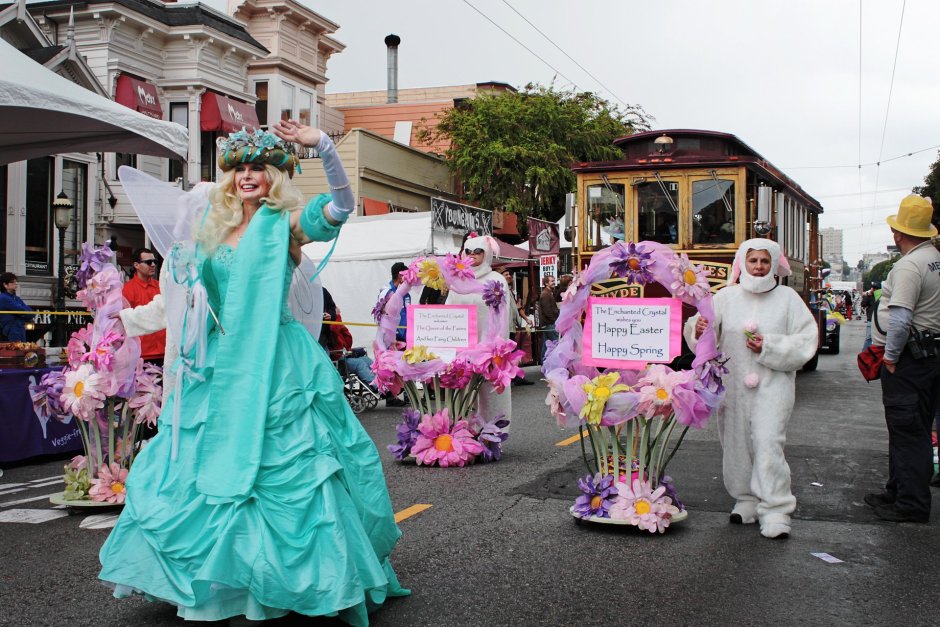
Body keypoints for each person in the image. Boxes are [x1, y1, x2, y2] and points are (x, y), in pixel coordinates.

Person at [99, 120, 409, 622]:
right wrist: (125, 320)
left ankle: (291, 581)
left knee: (291, 473)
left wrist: (324, 148)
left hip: (280, 365)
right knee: (202, 470)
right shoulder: (209, 233)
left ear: (274, 176)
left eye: (258, 168)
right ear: (228, 178)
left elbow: (342, 207)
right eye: (240, 168)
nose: (248, 176)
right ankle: (224, 580)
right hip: (219, 366)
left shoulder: (285, 225)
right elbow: (179, 300)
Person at [685, 238, 817, 539]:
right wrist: (699, 330)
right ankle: (745, 498)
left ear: (773, 265)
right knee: (736, 442)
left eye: (764, 261)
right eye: (753, 261)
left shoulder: (788, 299)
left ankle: (775, 508)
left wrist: (769, 345)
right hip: (733, 386)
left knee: (768, 443)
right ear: (742, 263)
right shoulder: (726, 297)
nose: (759, 267)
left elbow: (806, 340)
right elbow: (701, 331)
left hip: (774, 386)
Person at [866, 195, 940, 524]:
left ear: (898, 234)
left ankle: (910, 503)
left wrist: (891, 357)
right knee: (915, 427)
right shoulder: (934, 259)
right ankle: (897, 490)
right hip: (930, 357)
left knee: (907, 429)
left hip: (911, 359)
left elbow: (900, 320)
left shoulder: (909, 266)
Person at [446, 235, 513, 423]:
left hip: (489, 351)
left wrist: (497, 349)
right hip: (461, 352)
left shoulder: (496, 280)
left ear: (488, 253)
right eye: (468, 251)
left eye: (478, 251)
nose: (473, 255)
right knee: (463, 395)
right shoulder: (457, 282)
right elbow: (447, 312)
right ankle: (463, 435)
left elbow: (502, 316)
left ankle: (493, 436)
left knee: (491, 395)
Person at [122, 248, 166, 366]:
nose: (153, 265)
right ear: (136, 265)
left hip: (164, 351)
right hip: (141, 354)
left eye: (154, 262)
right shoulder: (127, 289)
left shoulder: (161, 286)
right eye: (148, 262)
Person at [502, 269, 533, 386]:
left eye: (509, 274)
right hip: (505, 328)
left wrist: (525, 319)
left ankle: (514, 377)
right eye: (506, 275)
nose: (509, 276)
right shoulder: (500, 290)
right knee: (511, 354)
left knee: (512, 354)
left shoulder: (509, 291)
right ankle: (513, 377)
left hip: (511, 327)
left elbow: (517, 308)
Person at [380, 262, 410, 343]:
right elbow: (380, 315)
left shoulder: (406, 294)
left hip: (406, 335)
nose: (407, 278)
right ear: (400, 275)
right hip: (391, 337)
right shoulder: (386, 292)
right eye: (405, 275)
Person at [0, 273, 33, 342]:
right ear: (5, 285)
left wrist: (24, 312)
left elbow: (31, 313)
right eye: (12, 282)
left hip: (20, 330)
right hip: (10, 332)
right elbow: (21, 310)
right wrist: (24, 312)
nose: (16, 284)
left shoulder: (17, 298)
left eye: (16, 282)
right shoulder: (3, 298)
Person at [538, 275, 559, 360]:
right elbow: (547, 311)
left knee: (546, 344)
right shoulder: (546, 294)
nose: (554, 282)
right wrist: (554, 321)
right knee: (555, 342)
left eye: (554, 280)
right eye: (552, 281)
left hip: (547, 323)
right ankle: (547, 362)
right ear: (546, 283)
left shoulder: (548, 293)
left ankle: (544, 362)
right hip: (549, 323)